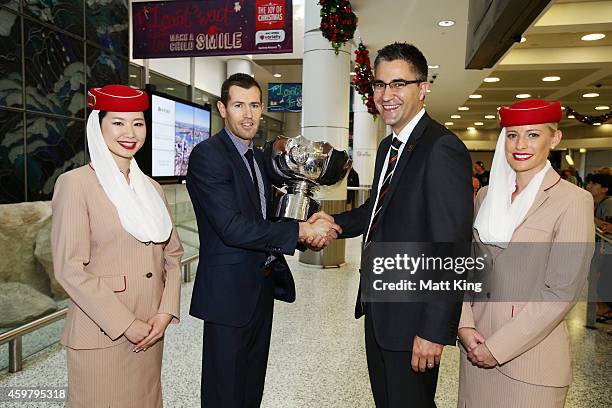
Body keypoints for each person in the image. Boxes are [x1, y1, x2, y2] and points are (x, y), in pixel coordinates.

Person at [309, 42, 473, 407]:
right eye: (380, 85)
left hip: (414, 319)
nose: (387, 95)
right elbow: (377, 210)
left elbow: (452, 247)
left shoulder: (441, 149)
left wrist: (433, 331)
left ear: (423, 87)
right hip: (381, 309)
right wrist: (334, 222)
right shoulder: (390, 147)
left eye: (398, 84)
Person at [186, 73, 340, 408]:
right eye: (238, 105)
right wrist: (298, 232)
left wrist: (306, 232)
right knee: (223, 392)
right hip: (227, 296)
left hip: (260, 290)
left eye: (254, 105)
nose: (248, 114)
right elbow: (232, 227)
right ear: (222, 108)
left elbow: (266, 219)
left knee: (251, 386)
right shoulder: (208, 156)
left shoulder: (257, 159)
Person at [51, 85, 184, 407]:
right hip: (103, 331)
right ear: (98, 127)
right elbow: (69, 268)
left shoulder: (151, 188)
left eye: (138, 123)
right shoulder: (76, 184)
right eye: (119, 123)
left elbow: (173, 256)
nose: (130, 133)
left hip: (151, 330)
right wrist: (127, 325)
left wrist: (165, 313)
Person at [457, 99, 595, 407]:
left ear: (555, 138)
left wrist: (498, 347)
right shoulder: (486, 196)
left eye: (533, 135)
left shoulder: (572, 201)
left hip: (529, 363)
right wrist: (464, 324)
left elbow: (561, 292)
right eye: (512, 135)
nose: (521, 145)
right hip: (474, 351)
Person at [585, 172, 612, 322]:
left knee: (603, 282)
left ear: (605, 189)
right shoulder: (595, 203)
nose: (589, 186)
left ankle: (606, 309)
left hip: (607, 251)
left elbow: (607, 227)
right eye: (589, 183)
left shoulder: (608, 204)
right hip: (601, 249)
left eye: (594, 184)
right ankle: (604, 309)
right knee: (595, 278)